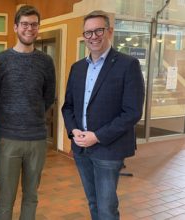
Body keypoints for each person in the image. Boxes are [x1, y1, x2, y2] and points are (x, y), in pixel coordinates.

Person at [61, 10, 144, 220]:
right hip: (80, 148)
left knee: (107, 208)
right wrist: (74, 131)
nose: (93, 37)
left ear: (109, 31)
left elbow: (132, 112)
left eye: (98, 30)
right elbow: (67, 107)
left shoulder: (128, 65)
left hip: (109, 148)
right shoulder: (77, 68)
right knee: (92, 201)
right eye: (88, 33)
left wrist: (96, 136)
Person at [0, 5, 56, 220]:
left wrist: (30, 118)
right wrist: (7, 123)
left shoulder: (46, 62)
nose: (29, 28)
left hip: (36, 139)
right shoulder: (0, 61)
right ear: (15, 27)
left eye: (34, 24)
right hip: (8, 138)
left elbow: (48, 97)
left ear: (38, 28)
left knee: (31, 195)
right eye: (24, 24)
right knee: (6, 196)